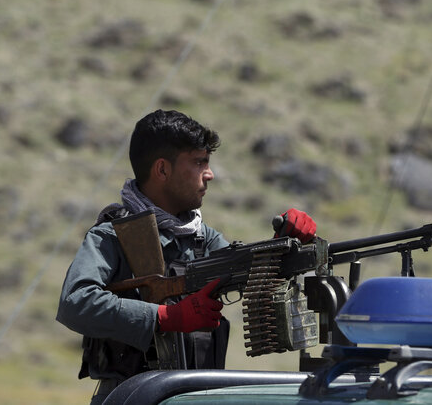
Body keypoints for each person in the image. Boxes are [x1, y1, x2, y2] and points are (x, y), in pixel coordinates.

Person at [56, 109, 316, 404]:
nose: (210, 173)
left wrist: (284, 243)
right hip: (132, 396)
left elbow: (249, 270)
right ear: (163, 170)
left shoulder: (203, 238)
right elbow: (74, 302)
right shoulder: (112, 236)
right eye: (198, 162)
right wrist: (165, 317)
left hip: (194, 394)